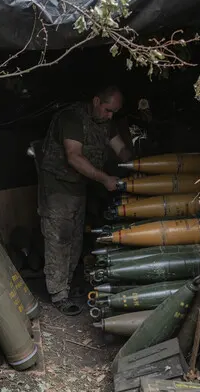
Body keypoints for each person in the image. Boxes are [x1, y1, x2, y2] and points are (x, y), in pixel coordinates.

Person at [38, 85, 132, 315]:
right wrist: (104, 179)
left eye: (114, 113)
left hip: (79, 188)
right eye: (108, 110)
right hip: (58, 187)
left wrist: (136, 166)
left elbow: (121, 149)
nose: (111, 116)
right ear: (97, 101)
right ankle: (59, 294)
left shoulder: (104, 122)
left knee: (75, 239)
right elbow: (74, 156)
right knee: (59, 239)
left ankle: (66, 285)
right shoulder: (72, 118)